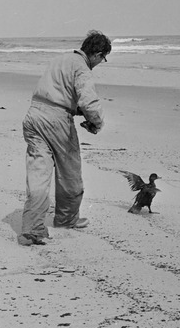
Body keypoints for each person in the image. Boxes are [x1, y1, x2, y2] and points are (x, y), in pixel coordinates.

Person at [17, 30, 112, 246]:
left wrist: (76, 110)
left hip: (33, 115)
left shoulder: (60, 59)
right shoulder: (82, 68)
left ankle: (32, 228)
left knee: (38, 174)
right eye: (103, 58)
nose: (100, 63)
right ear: (97, 54)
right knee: (70, 171)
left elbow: (57, 94)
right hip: (56, 121)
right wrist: (96, 122)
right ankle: (66, 219)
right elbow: (89, 102)